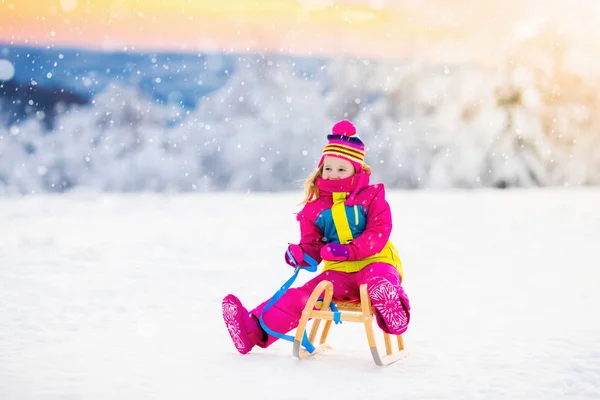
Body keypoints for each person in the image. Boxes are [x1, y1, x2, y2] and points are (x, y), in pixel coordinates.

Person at [222, 120, 411, 355]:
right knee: (302, 297)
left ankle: (393, 312)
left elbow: (379, 232)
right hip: (339, 273)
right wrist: (301, 255)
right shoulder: (315, 208)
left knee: (378, 282)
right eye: (328, 168)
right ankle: (254, 330)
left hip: (377, 263)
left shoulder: (371, 197)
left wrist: (350, 251)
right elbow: (312, 246)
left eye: (341, 169)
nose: (332, 175)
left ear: (357, 170)